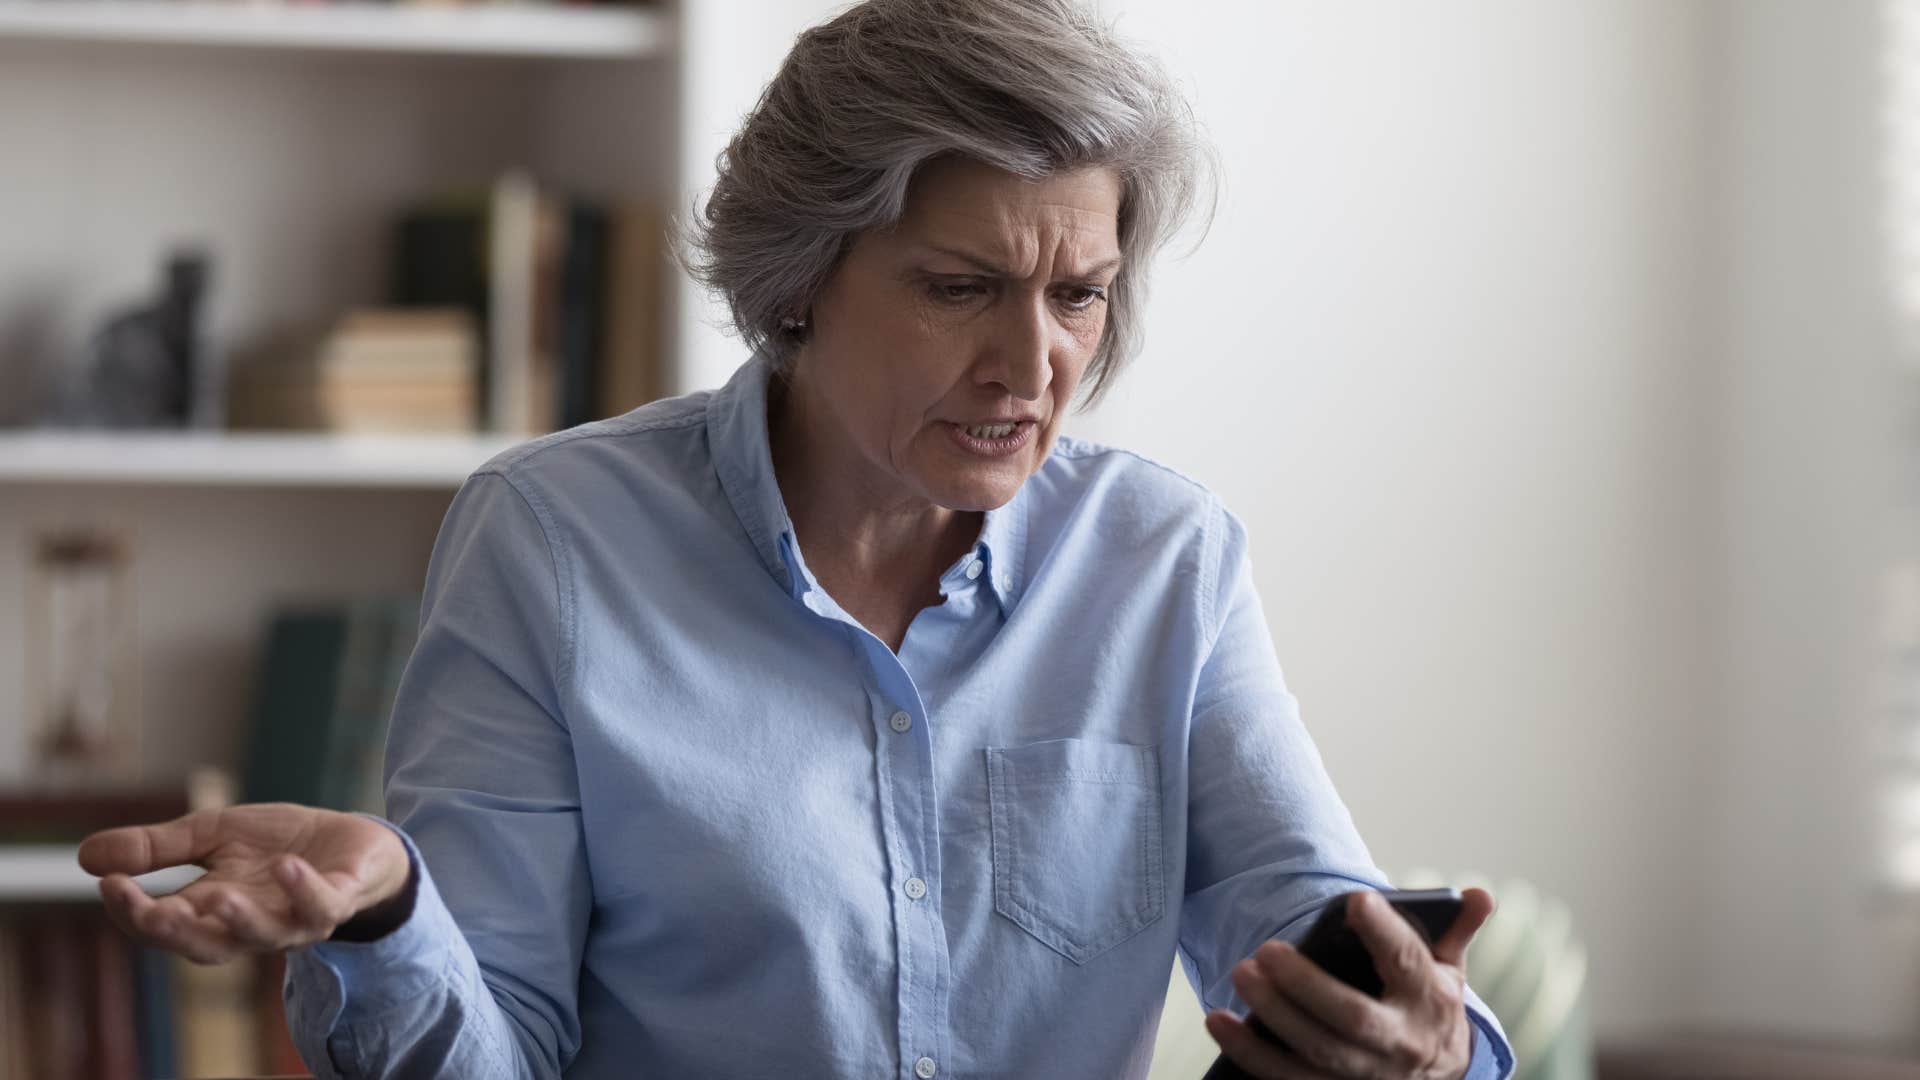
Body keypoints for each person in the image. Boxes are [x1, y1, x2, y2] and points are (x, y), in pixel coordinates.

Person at [78, 1, 1517, 1077]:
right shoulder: (555, 543)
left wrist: (1429, 1038)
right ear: (802, 278)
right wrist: (390, 917)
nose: (1034, 366)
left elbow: (1321, 932)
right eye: (962, 288)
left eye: (1078, 295)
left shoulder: (1165, 562)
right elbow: (491, 1051)